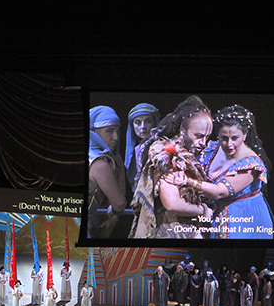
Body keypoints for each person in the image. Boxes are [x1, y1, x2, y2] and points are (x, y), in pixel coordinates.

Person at [173, 105, 274, 239]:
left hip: (245, 218)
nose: (229, 144)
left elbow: (219, 192)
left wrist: (188, 181)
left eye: (234, 138)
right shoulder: (213, 148)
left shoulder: (251, 164)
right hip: (218, 217)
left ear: (244, 135)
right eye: (224, 138)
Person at [129, 96, 214, 239]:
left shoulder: (188, 154)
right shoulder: (168, 154)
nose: (203, 143)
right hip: (168, 232)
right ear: (182, 130)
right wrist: (203, 210)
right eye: (199, 136)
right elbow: (172, 203)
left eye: (206, 137)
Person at [87, 105, 127, 238]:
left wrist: (118, 162)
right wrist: (114, 215)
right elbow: (119, 202)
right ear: (93, 131)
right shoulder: (99, 164)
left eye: (117, 131)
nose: (115, 137)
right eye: (109, 131)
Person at [125, 103, 161, 190]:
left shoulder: (160, 147)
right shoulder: (136, 150)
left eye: (148, 121)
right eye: (138, 122)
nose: (143, 127)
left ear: (155, 123)